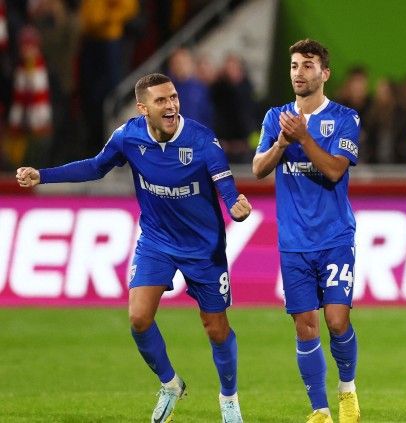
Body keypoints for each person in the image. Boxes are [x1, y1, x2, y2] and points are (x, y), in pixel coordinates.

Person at [16, 73, 251, 423]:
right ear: (143, 108)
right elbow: (96, 167)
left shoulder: (202, 141)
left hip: (203, 247)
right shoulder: (128, 136)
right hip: (156, 240)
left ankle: (229, 399)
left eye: (173, 97)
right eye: (161, 101)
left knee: (216, 327)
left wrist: (236, 206)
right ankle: (171, 384)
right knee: (139, 319)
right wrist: (43, 176)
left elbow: (227, 188)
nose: (171, 105)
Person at [251, 39, 361, 423]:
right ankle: (320, 410)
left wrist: (303, 138)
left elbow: (334, 170)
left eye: (308, 65)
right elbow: (259, 168)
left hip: (334, 238)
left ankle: (347, 390)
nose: (299, 71)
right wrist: (282, 141)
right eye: (295, 65)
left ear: (324, 73)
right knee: (306, 325)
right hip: (293, 242)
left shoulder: (346, 118)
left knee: (336, 321)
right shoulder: (276, 118)